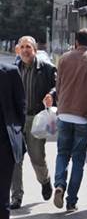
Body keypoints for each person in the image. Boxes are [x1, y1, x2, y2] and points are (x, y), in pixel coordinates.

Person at [53, 28, 87, 213]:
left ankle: (59, 184)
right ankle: (71, 200)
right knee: (78, 160)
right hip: (83, 117)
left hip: (64, 113)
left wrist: (62, 106)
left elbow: (58, 86)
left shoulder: (64, 58)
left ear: (75, 42)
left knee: (62, 154)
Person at [10, 36, 56, 210]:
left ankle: (45, 181)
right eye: (21, 47)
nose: (25, 50)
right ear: (17, 50)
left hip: (36, 119)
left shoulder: (47, 68)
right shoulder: (12, 69)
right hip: (15, 120)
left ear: (35, 49)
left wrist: (52, 94)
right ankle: (16, 196)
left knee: (37, 157)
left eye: (28, 46)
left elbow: (57, 86)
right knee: (16, 158)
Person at [0, 63, 25, 219]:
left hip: (4, 143)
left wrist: (15, 132)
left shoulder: (10, 72)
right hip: (5, 143)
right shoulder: (10, 71)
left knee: (2, 195)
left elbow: (21, 106)